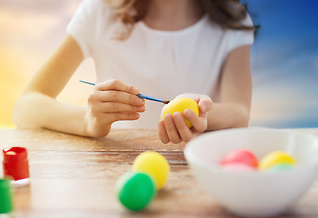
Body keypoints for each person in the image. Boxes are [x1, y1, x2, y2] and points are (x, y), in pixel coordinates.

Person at [13, 0, 256, 144]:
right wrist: (88, 122)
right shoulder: (100, 12)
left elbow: (240, 113)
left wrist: (201, 114)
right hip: (114, 175)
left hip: (199, 175)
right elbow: (25, 107)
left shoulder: (232, 21)